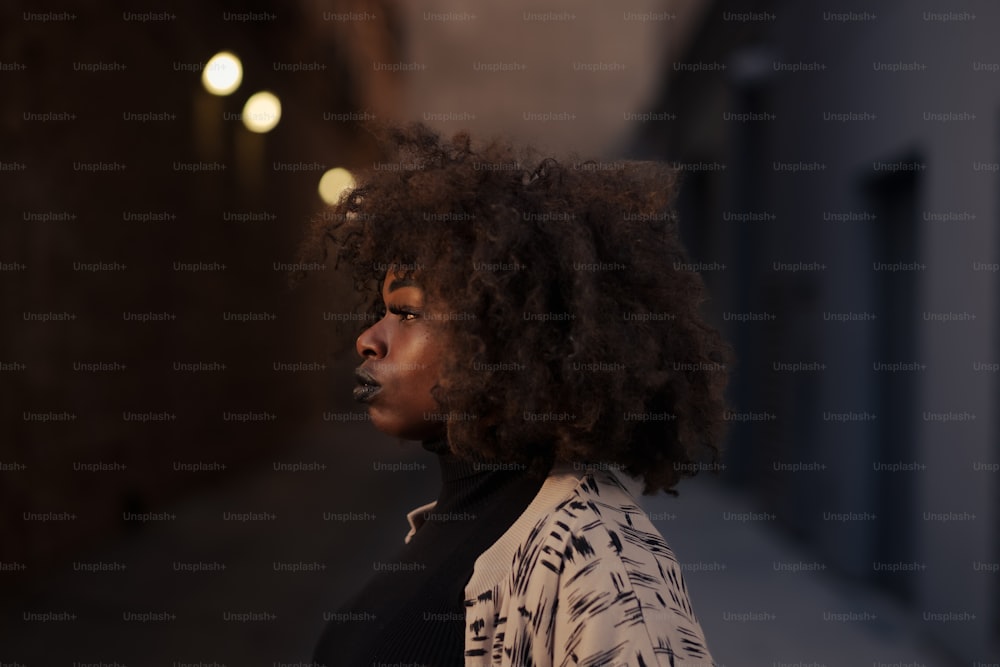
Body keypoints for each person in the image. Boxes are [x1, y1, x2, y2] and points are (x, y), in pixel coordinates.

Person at [293, 123, 731, 666]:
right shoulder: (456, 521)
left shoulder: (599, 557)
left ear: (506, 337)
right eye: (381, 312)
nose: (369, 340)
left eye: (407, 313)